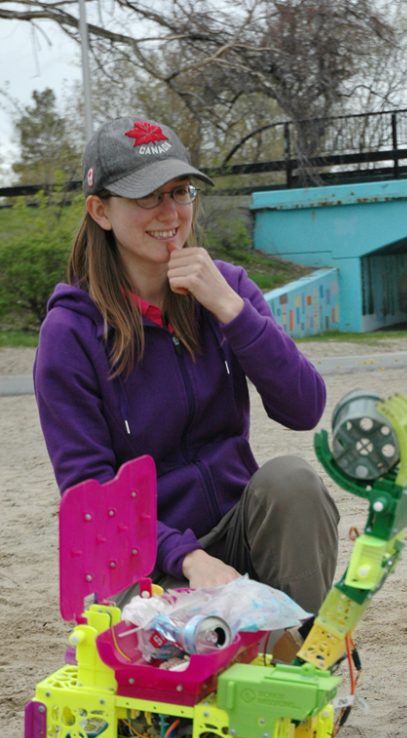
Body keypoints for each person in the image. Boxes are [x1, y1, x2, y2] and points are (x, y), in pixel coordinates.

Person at [34, 116, 339, 624]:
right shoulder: (70, 334)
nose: (170, 212)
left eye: (180, 192)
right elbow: (90, 496)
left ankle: (298, 658)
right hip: (144, 561)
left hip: (238, 528)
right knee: (184, 665)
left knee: (292, 480)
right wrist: (188, 557)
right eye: (147, 196)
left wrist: (233, 312)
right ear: (100, 210)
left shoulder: (227, 289)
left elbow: (304, 408)